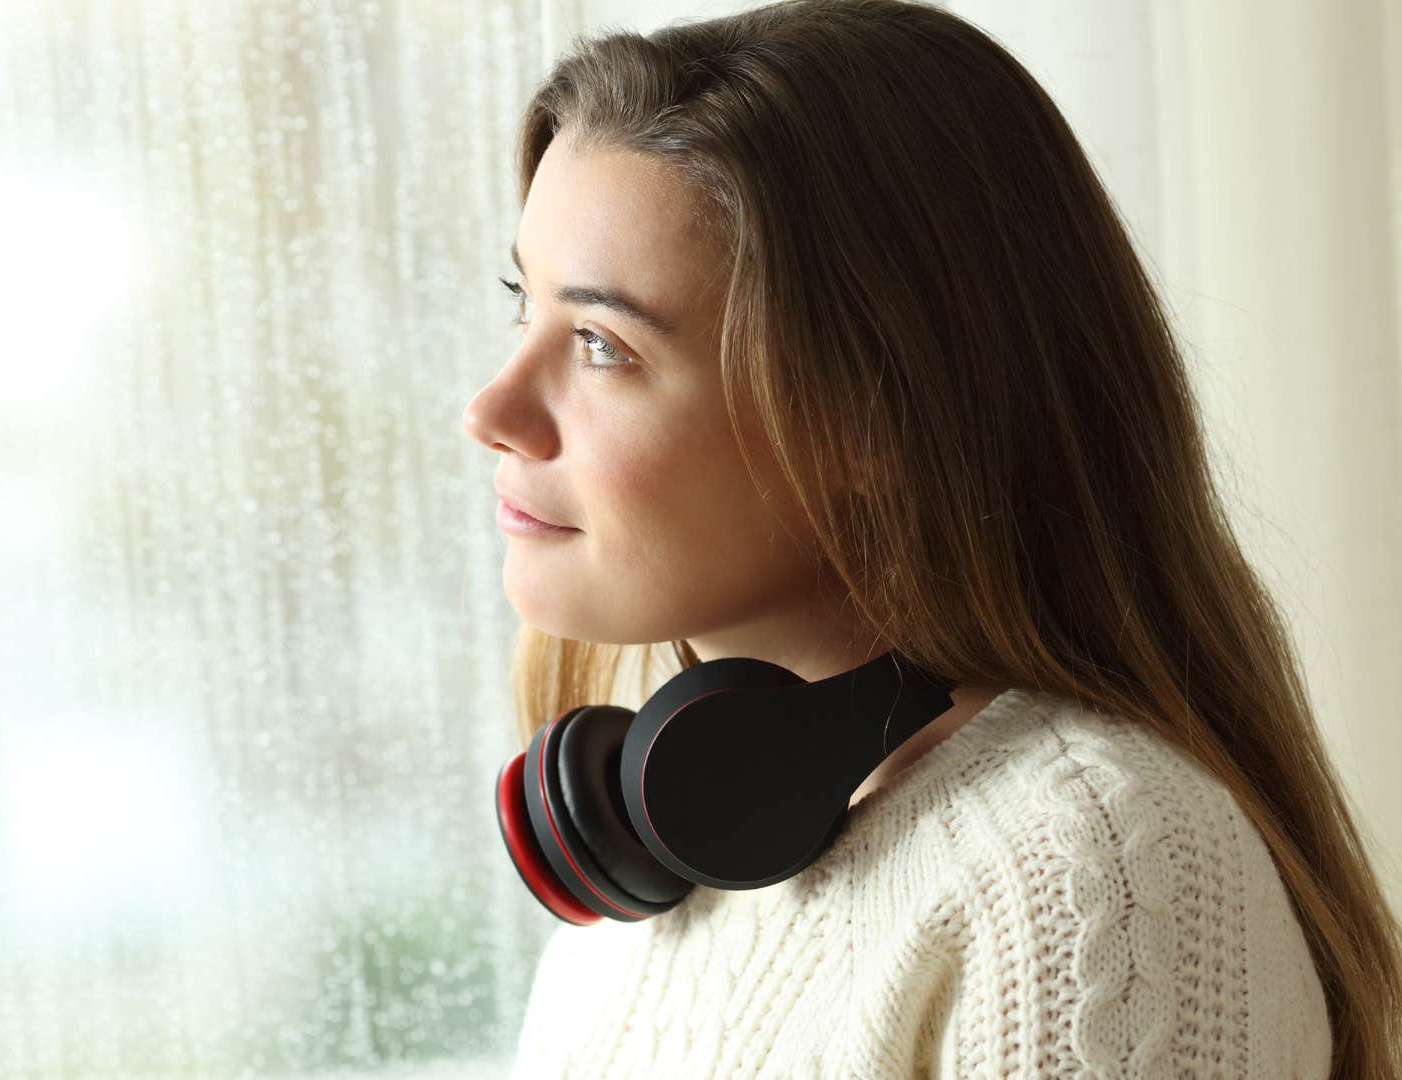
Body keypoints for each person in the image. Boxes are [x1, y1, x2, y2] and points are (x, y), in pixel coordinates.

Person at [458, 1, 1402, 1075]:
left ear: (874, 418)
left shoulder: (1093, 870)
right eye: (518, 302)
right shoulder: (649, 880)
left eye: (599, 343)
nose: (491, 409)